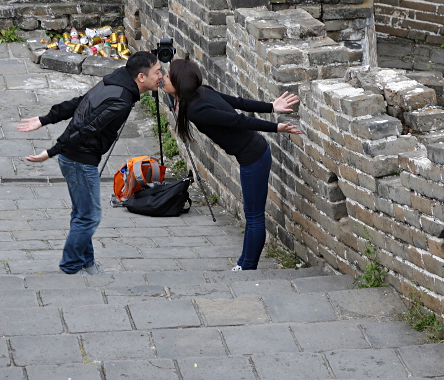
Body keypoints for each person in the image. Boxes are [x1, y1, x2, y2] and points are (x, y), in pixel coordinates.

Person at [18, 51, 163, 275]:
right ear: (141, 77)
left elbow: (79, 102)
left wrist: (45, 119)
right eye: (158, 72)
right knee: (89, 216)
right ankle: (71, 267)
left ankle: (87, 263)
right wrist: (52, 151)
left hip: (76, 158)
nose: (161, 76)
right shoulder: (121, 99)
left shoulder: (114, 81)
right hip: (79, 160)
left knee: (82, 214)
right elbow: (87, 129)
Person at [161, 59, 301, 271]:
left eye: (168, 76)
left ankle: (247, 268)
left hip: (254, 157)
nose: (163, 78)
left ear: (179, 82)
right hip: (252, 155)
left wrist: (275, 126)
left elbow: (238, 120)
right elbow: (238, 102)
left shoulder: (196, 108)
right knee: (251, 214)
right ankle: (243, 264)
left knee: (254, 216)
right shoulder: (199, 93)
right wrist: (271, 106)